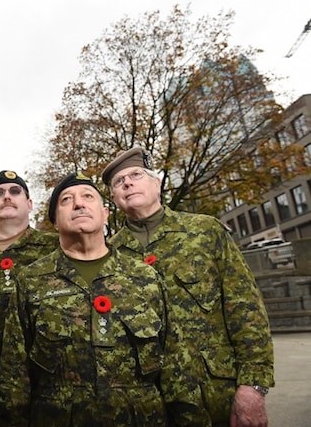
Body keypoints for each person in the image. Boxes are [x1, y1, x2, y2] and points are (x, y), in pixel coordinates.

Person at [0, 172, 206, 427]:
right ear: (54, 221)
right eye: (66, 200)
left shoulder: (145, 277)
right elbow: (14, 379)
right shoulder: (31, 281)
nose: (79, 204)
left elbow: (178, 369)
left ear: (105, 213)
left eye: (88, 196)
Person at [101, 147, 275, 427]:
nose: (128, 183)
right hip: (144, 407)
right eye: (119, 182)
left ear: (156, 183)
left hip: (215, 396)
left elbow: (246, 309)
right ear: (114, 198)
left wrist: (254, 386)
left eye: (136, 175)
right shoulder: (107, 254)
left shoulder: (206, 231)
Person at [0, 170, 59, 379]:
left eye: (15, 191)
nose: (7, 196)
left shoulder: (54, 248)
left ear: (29, 204)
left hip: (43, 374)